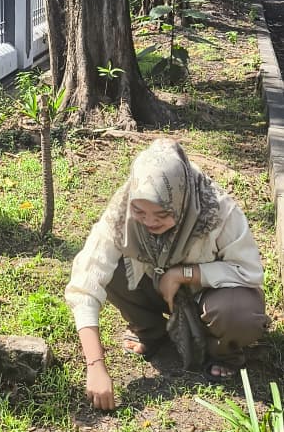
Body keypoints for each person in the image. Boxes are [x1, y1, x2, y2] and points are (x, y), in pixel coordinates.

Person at [65, 138, 268, 410]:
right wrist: (95, 365)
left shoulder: (216, 209)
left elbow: (249, 271)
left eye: (161, 214)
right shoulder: (121, 209)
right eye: (140, 211)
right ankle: (150, 331)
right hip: (155, 288)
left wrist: (185, 273)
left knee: (239, 313)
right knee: (110, 270)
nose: (150, 222)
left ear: (181, 201)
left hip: (208, 296)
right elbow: (85, 283)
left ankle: (222, 350)